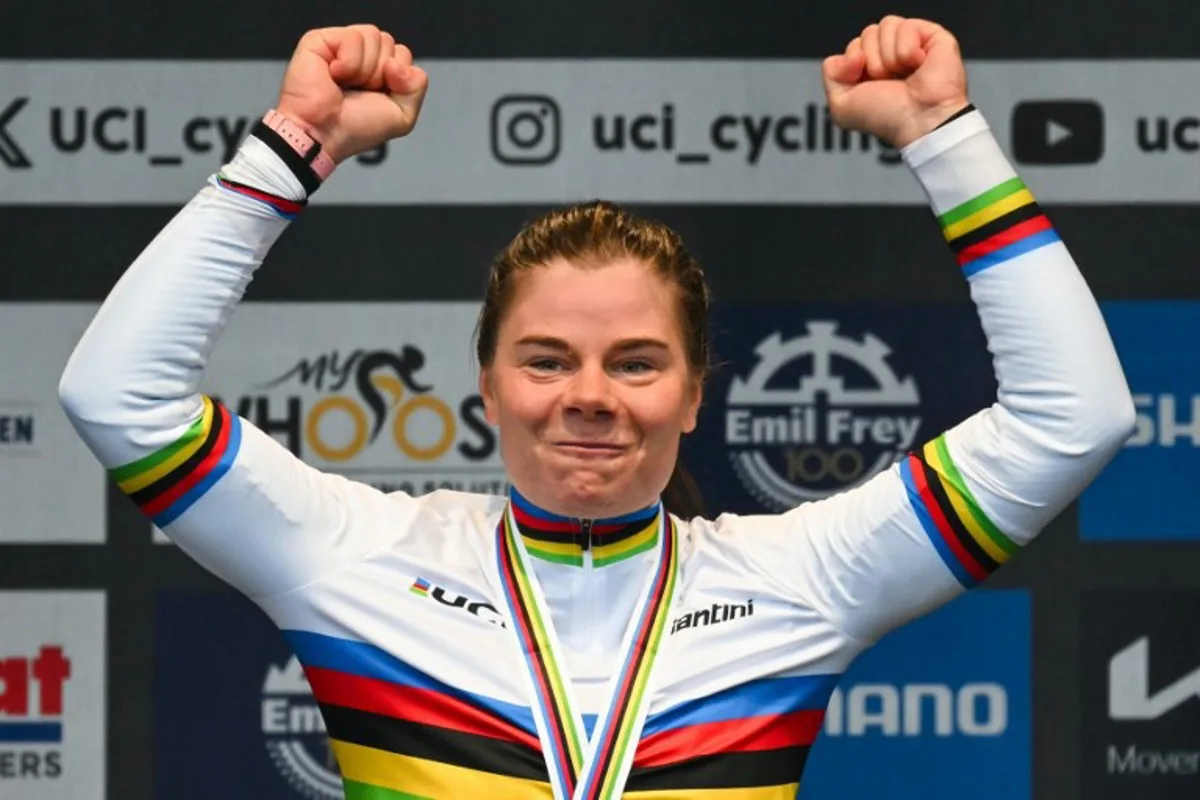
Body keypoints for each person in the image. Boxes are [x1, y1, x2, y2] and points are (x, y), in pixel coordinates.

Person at [59, 16, 1134, 800]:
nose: (588, 397)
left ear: (696, 393)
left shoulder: (798, 580)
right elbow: (118, 397)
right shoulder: (355, 556)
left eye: (634, 361)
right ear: (485, 385)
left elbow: (1070, 417)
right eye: (545, 358)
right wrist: (294, 144)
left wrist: (944, 135)